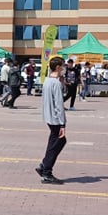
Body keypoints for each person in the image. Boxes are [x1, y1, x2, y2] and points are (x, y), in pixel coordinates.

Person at [36, 56, 67, 185]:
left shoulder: (48, 81)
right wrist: (63, 123)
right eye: (63, 66)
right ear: (58, 67)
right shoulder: (55, 83)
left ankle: (44, 165)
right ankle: (46, 171)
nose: (64, 69)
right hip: (55, 118)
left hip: (48, 116)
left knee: (54, 141)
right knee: (59, 141)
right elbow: (59, 104)